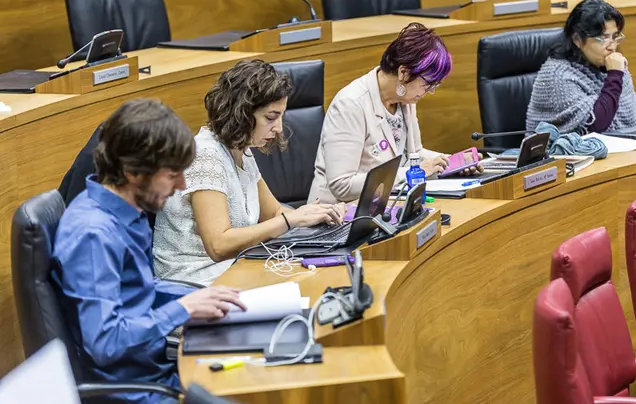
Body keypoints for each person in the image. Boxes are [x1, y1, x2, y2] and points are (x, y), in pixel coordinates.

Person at [52, 99, 247, 404]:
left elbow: (140, 291)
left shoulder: (128, 212)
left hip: (158, 368)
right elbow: (106, 341)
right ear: (132, 171)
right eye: (172, 174)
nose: (182, 185)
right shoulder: (93, 234)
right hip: (138, 391)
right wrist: (183, 309)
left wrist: (200, 297)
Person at [153, 60, 345, 286]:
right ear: (241, 113)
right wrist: (290, 220)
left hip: (234, 267)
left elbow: (273, 213)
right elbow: (218, 245)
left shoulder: (241, 149)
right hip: (195, 281)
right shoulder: (205, 156)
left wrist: (316, 216)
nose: (279, 128)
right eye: (271, 117)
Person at [309, 22, 481, 204]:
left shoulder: (404, 98)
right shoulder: (350, 105)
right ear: (404, 73)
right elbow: (342, 186)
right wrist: (415, 172)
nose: (430, 92)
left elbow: (414, 153)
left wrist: (450, 162)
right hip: (337, 215)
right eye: (428, 85)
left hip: (385, 205)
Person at [526, 0, 636, 134]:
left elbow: (629, 118)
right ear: (577, 40)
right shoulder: (557, 75)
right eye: (603, 38)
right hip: (562, 153)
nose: (612, 46)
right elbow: (595, 126)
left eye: (615, 37)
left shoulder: (611, 66)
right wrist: (615, 75)